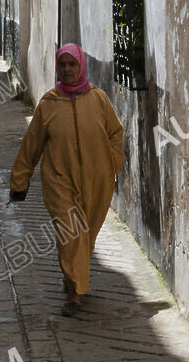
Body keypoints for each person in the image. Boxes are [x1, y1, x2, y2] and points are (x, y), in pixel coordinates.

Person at [9, 43, 125, 317]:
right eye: (63, 64)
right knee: (71, 233)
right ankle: (74, 294)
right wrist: (19, 182)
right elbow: (31, 145)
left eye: (72, 64)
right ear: (57, 68)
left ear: (81, 66)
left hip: (97, 180)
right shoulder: (49, 104)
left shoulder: (98, 98)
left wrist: (111, 162)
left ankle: (72, 276)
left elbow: (115, 132)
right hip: (59, 180)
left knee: (87, 233)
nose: (68, 69)